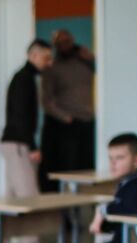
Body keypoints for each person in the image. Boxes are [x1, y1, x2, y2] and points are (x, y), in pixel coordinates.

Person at [0, 38, 57, 243]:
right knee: (29, 196)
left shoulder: (26, 78)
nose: (49, 63)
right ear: (33, 55)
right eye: (46, 57)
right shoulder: (24, 79)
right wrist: (32, 145)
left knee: (13, 196)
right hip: (19, 144)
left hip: (14, 143)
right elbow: (20, 116)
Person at [39, 29, 96, 192]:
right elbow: (47, 100)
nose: (65, 45)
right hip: (66, 125)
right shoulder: (52, 67)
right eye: (60, 42)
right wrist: (65, 117)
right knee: (67, 169)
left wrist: (91, 59)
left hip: (87, 121)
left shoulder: (85, 62)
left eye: (67, 41)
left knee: (87, 168)